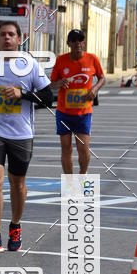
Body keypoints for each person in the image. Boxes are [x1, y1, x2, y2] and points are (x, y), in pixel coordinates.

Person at [0, 20, 53, 253]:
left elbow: (49, 97)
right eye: (2, 35)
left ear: (20, 39)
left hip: (21, 133)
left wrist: (23, 94)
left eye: (11, 34)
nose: (7, 38)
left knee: (17, 183)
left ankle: (15, 226)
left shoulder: (29, 65)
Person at [49, 28, 105, 174]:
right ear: (68, 43)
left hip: (83, 113)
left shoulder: (92, 59)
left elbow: (102, 78)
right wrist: (60, 82)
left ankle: (82, 175)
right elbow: (52, 83)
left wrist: (95, 89)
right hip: (63, 112)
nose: (77, 43)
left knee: (83, 149)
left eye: (80, 39)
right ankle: (69, 182)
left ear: (84, 42)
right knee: (66, 148)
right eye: (73, 40)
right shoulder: (61, 60)